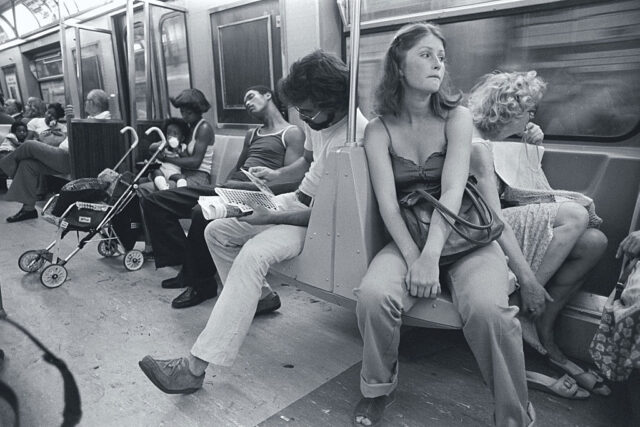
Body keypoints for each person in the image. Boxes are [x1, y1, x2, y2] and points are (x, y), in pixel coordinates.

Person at [138, 50, 367, 394]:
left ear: (330, 100)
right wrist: (272, 184)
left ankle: (194, 368)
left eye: (307, 110)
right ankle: (259, 297)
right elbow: (308, 171)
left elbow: (333, 215)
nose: (302, 117)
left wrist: (272, 215)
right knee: (216, 230)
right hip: (297, 202)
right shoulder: (320, 121)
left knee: (252, 255)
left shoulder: (356, 137)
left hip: (317, 222)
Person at [352, 23, 533, 426]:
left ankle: (514, 415)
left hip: (464, 232)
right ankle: (377, 388)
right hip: (409, 233)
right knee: (372, 296)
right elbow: (387, 205)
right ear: (399, 66)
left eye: (442, 57)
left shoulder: (458, 117)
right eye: (426, 55)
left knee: (490, 312)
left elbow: (452, 189)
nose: (438, 64)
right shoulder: (378, 131)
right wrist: (415, 256)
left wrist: (431, 257)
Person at [468, 71, 609, 395]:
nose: (533, 116)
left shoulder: (506, 141)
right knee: (573, 215)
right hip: (482, 223)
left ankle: (541, 326)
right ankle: (522, 303)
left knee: (594, 242)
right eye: (529, 110)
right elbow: (490, 204)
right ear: (508, 109)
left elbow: (522, 185)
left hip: (506, 216)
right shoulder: (472, 139)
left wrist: (531, 146)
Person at [141, 85, 305, 309]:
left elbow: (290, 181)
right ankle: (188, 268)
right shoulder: (252, 134)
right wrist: (225, 186)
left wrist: (245, 185)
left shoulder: (291, 133)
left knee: (201, 212)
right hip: (227, 188)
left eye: (250, 96)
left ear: (268, 95)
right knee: (155, 202)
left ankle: (202, 285)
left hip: (256, 192)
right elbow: (237, 168)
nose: (246, 102)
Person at [0, 89, 111, 222]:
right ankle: (28, 209)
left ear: (92, 103)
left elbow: (79, 143)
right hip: (66, 155)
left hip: (70, 158)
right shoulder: (93, 120)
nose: (85, 103)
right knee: (27, 165)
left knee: (29, 145)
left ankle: (4, 167)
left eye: (86, 100)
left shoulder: (100, 121)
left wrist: (70, 120)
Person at [149, 118, 190, 191]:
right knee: (156, 172)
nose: (171, 136)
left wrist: (178, 151)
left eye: (175, 134)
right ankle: (164, 189)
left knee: (182, 177)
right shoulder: (163, 143)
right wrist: (164, 144)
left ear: (182, 138)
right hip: (161, 168)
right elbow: (151, 147)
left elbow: (186, 159)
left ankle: (182, 192)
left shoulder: (183, 147)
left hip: (173, 171)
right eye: (168, 133)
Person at [0, 122, 28, 192]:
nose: (22, 133)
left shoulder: (21, 140)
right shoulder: (11, 135)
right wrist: (27, 144)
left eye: (24, 131)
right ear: (14, 131)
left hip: (11, 153)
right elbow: (16, 144)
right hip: (5, 152)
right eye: (19, 131)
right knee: (7, 167)